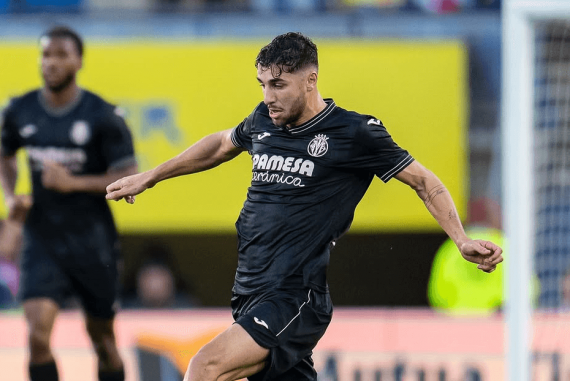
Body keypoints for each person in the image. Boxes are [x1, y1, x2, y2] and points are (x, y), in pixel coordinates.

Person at [106, 32, 503, 381]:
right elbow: (221, 144)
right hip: (249, 290)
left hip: (295, 295)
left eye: (278, 84)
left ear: (310, 80)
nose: (268, 96)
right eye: (262, 84)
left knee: (205, 367)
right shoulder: (264, 118)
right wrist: (152, 175)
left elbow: (424, 181)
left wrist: (461, 239)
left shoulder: (354, 132)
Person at [0, 26, 137, 381]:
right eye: (46, 54)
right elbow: (5, 155)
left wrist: (71, 182)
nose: (52, 62)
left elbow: (129, 174)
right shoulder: (20, 110)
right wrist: (12, 196)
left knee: (103, 341)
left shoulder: (103, 116)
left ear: (78, 61)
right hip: (42, 238)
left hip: (92, 241)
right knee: (37, 336)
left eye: (61, 55)